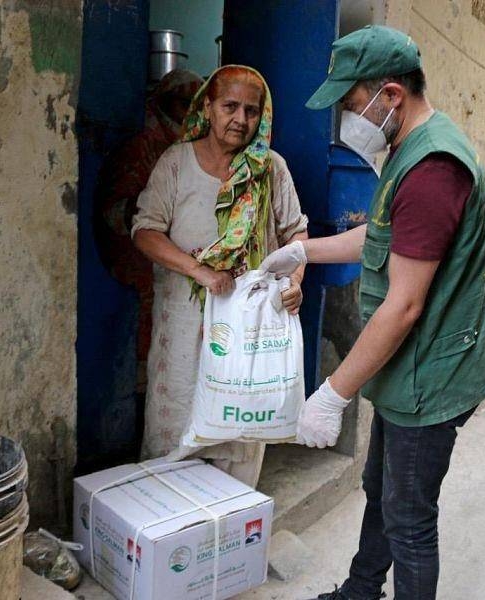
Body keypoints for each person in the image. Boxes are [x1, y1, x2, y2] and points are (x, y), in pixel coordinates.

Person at [260, 26, 485, 600]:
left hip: (431, 373)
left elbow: (405, 303)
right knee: (381, 487)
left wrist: (333, 393)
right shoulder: (409, 149)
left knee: (410, 517)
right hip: (409, 365)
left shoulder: (434, 169)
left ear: (390, 95)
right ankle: (362, 591)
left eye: (350, 104)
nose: (348, 120)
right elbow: (387, 236)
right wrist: (305, 250)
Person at [131, 65, 309, 486]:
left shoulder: (270, 169)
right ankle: (168, 534)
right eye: (230, 106)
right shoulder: (176, 163)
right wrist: (200, 271)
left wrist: (295, 282)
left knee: (239, 434)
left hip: (248, 327)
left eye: (251, 110)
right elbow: (145, 230)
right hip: (185, 323)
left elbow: (295, 232)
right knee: (176, 425)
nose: (240, 119)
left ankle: (227, 539)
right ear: (207, 108)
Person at [94, 69, 203, 401]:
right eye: (184, 104)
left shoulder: (191, 146)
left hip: (177, 260)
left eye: (197, 105)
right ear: (164, 102)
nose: (189, 113)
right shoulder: (143, 146)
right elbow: (115, 210)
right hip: (138, 258)